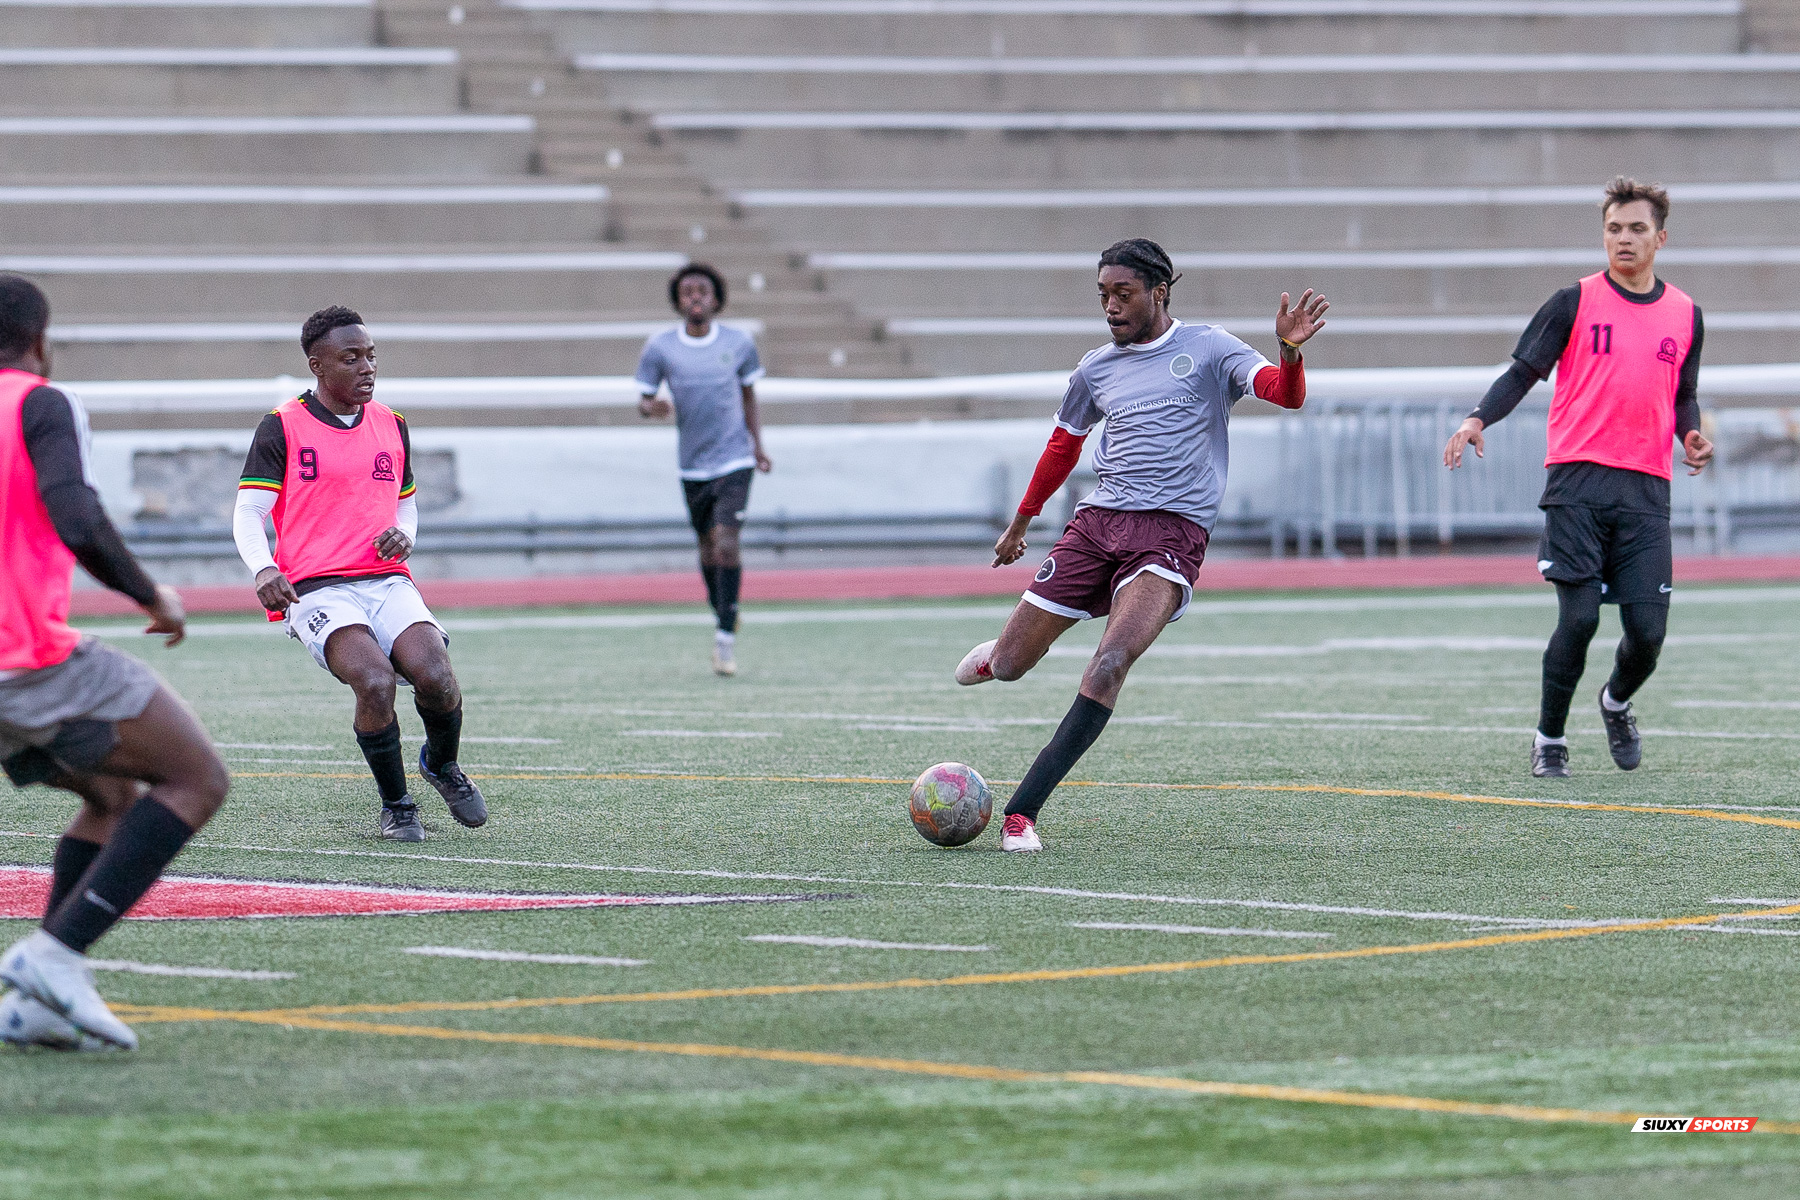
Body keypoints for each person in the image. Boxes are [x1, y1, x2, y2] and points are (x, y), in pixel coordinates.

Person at [954, 239, 1327, 851]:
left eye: (1122, 294)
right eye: (1103, 295)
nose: (1110, 306)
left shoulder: (1210, 347)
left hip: (1172, 535)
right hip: (1096, 527)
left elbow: (1284, 394)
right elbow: (1063, 446)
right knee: (1016, 665)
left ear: (1158, 292)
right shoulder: (1095, 368)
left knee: (1109, 663)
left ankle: (1021, 813)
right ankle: (1000, 655)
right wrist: (1021, 522)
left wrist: (1289, 350)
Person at [0, 274, 230, 1051]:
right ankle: (56, 957)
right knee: (197, 779)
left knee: (110, 794)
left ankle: (38, 1002)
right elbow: (75, 513)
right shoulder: (40, 401)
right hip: (24, 657)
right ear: (41, 341)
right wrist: (149, 594)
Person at [1443, 177, 1713, 779]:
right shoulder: (1574, 301)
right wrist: (1476, 418)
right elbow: (1522, 372)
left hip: (1647, 488)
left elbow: (1684, 395)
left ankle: (1615, 701)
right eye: (1614, 228)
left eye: (1636, 228)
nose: (1623, 238)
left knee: (1648, 633)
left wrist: (1690, 433)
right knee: (1580, 618)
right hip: (1577, 483)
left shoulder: (1686, 314)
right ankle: (1550, 739)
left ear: (1661, 238)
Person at [233, 306, 486, 842]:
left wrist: (405, 534)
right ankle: (397, 806)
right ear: (318, 366)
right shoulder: (282, 426)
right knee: (373, 681)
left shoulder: (391, 423)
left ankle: (442, 765)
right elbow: (249, 512)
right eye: (351, 358)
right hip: (316, 588)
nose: (367, 367)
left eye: (371, 356)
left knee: (437, 678)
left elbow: (406, 504)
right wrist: (263, 568)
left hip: (385, 579)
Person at [635, 263, 771, 677]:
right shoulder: (660, 347)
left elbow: (748, 396)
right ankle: (725, 610)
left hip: (735, 458)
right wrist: (653, 407)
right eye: (687, 291)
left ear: (716, 299)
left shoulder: (738, 343)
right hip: (692, 465)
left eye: (703, 291)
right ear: (678, 300)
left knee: (726, 542)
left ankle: (724, 639)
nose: (695, 297)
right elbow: (644, 400)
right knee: (708, 548)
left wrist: (758, 446)